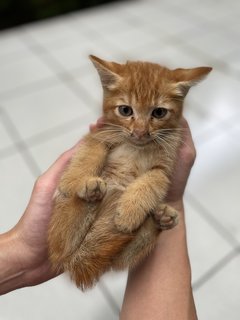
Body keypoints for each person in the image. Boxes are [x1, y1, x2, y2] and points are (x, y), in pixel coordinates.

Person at [0, 118, 198, 319]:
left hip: (107, 215)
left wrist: (24, 249)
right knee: (95, 152)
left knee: (120, 239)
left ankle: (144, 224)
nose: (139, 129)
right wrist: (172, 202)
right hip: (87, 218)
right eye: (126, 111)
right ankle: (141, 223)